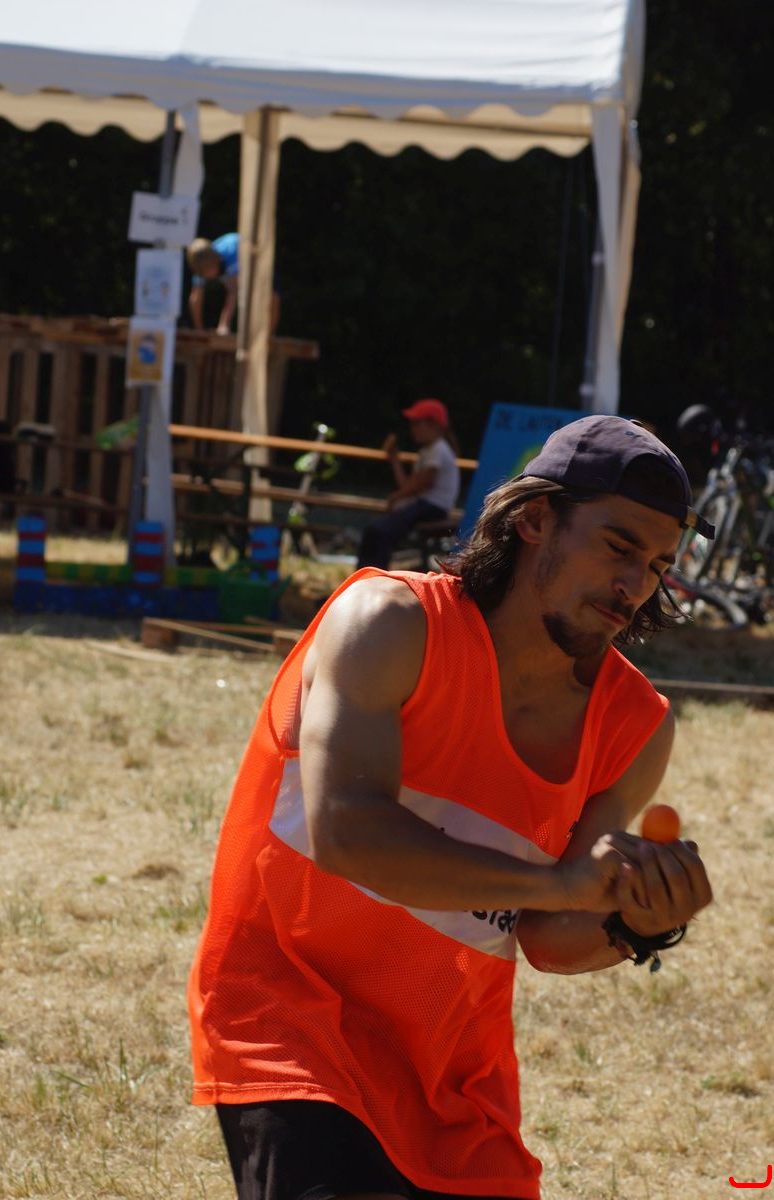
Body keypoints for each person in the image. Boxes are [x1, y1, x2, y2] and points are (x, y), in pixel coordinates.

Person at [188, 414, 715, 1200]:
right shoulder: (389, 623)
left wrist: (636, 922)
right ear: (535, 519)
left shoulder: (635, 727)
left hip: (454, 1079)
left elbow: (548, 936)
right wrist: (561, 885)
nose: (637, 585)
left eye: (658, 565)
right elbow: (348, 834)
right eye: (619, 547)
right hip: (291, 1020)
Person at [356, 397, 461, 569]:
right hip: (424, 506)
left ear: (434, 425)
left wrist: (394, 498)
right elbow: (408, 486)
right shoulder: (428, 451)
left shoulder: (438, 449)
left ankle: (371, 574)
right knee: (377, 532)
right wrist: (395, 460)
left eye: (417, 423)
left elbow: (422, 484)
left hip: (432, 507)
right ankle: (370, 573)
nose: (412, 428)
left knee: (378, 532)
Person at [186, 233, 281, 335]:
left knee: (272, 296)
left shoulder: (231, 253)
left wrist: (223, 325)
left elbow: (233, 291)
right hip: (234, 269)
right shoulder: (201, 263)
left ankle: (268, 336)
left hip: (257, 262)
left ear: (217, 260)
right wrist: (200, 332)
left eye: (209, 273)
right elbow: (195, 298)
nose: (208, 278)